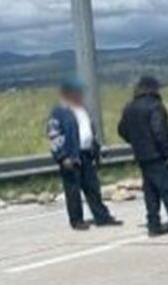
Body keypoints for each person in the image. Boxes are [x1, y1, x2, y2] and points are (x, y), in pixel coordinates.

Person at [117, 76, 168, 237]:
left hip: (141, 155)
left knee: (150, 191)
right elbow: (160, 132)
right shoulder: (155, 106)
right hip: (158, 155)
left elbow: (122, 130)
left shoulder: (129, 107)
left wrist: (136, 141)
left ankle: (153, 225)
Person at [46, 77, 122, 231]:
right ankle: (77, 220)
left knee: (92, 187)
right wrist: (61, 156)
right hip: (70, 154)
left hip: (86, 153)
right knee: (73, 190)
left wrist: (96, 148)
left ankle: (102, 216)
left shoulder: (82, 109)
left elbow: (90, 131)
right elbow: (53, 134)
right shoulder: (59, 111)